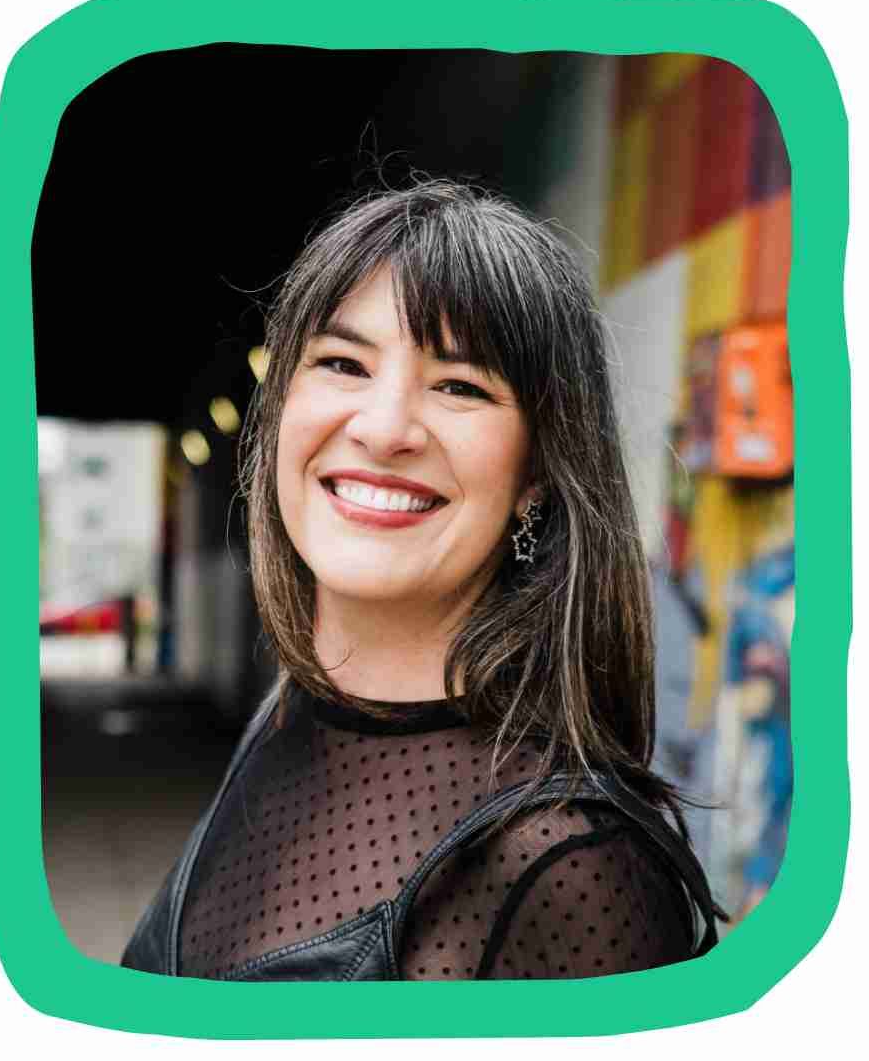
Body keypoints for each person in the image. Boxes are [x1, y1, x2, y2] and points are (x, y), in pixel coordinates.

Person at [121, 179, 724, 981]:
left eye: (459, 386)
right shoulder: (285, 719)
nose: (383, 430)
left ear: (538, 473)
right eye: (343, 363)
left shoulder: (570, 863)